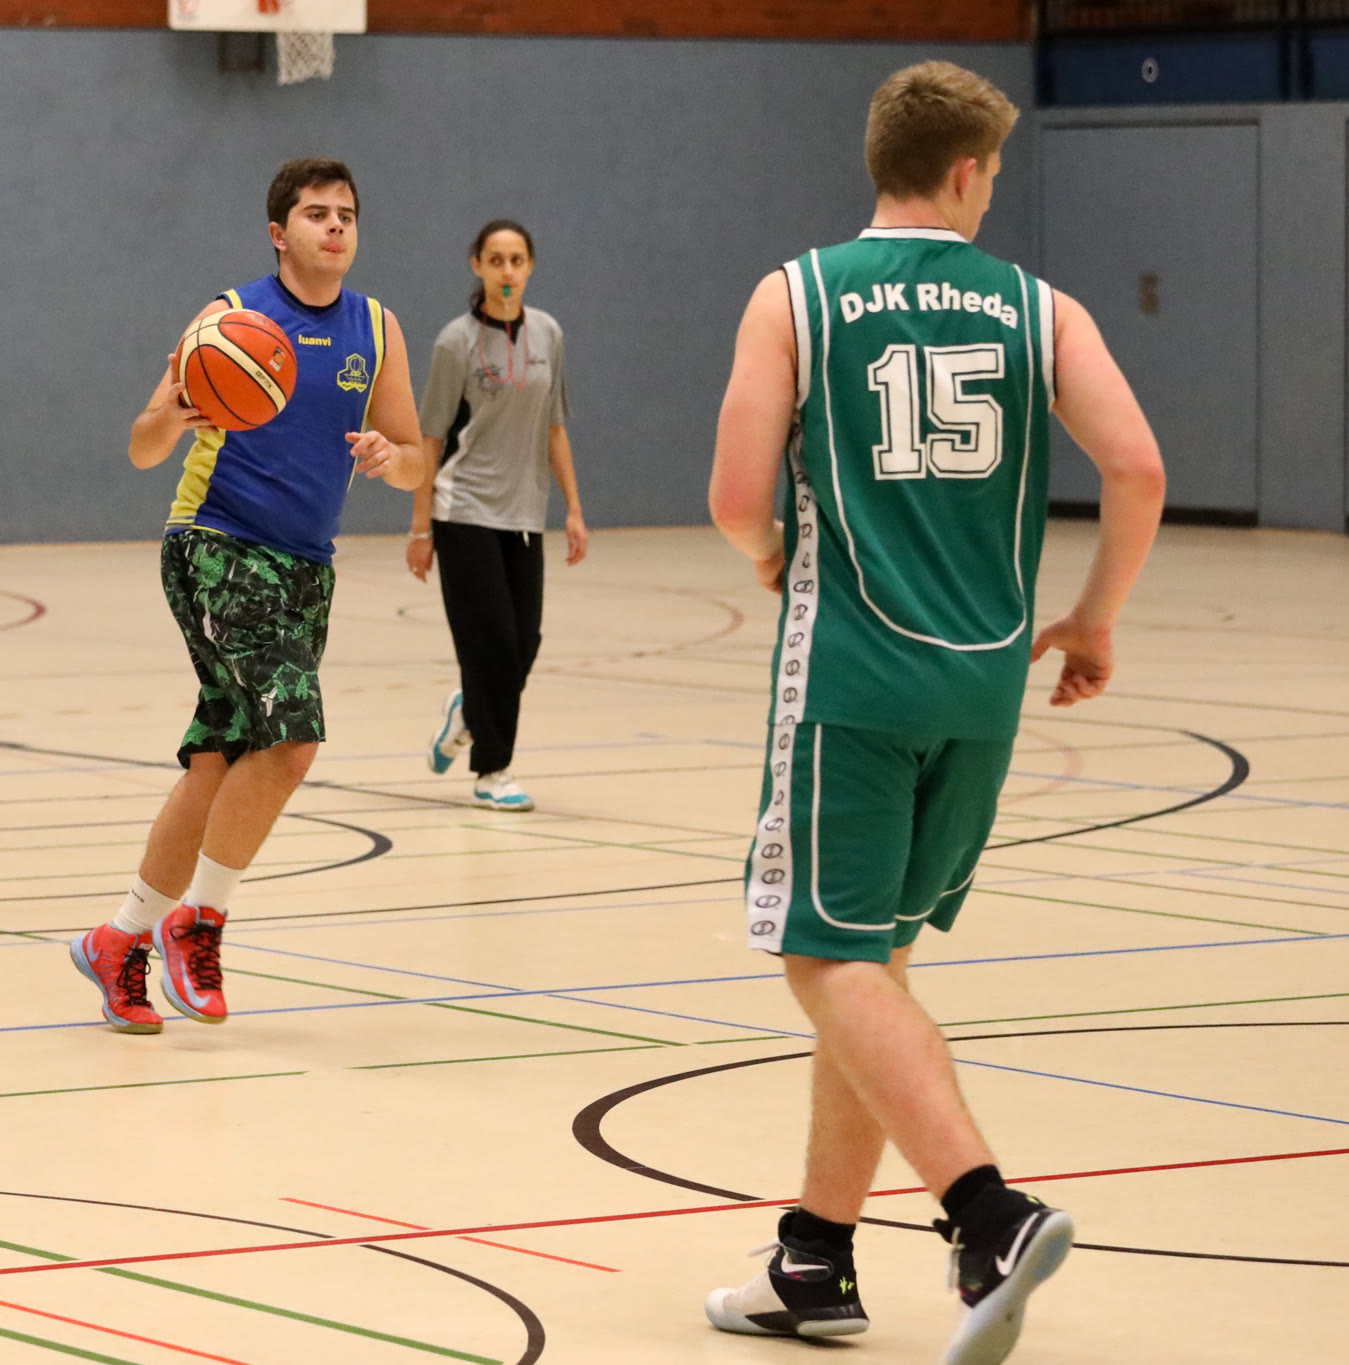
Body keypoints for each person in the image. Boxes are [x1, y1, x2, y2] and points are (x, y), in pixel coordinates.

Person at [702, 62, 1165, 1365]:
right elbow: (1136, 465)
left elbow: (735, 498)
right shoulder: (1040, 307)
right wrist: (1093, 618)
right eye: (995, 173)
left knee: (823, 960)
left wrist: (766, 555)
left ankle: (986, 1213)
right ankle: (815, 1257)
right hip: (984, 687)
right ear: (965, 172)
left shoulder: (795, 294)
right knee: (875, 963)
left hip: (852, 675)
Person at [69, 158, 428, 1033]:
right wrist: (173, 414)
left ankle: (120, 938)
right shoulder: (227, 320)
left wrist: (392, 460)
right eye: (317, 213)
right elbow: (142, 447)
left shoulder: (376, 327)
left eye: (347, 213)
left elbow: (416, 456)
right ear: (279, 232)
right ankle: (201, 919)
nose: (335, 226)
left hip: (307, 565)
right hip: (215, 543)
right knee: (292, 741)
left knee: (222, 760)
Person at [405, 219, 587, 812]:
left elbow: (555, 428)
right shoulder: (454, 343)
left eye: (516, 260)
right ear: (477, 266)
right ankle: (493, 771)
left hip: (526, 513)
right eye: (495, 260)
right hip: (463, 509)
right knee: (492, 644)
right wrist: (421, 527)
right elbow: (430, 439)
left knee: (524, 642)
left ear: (529, 266)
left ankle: (468, 713)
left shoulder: (549, 334)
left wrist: (574, 510)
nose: (507, 271)